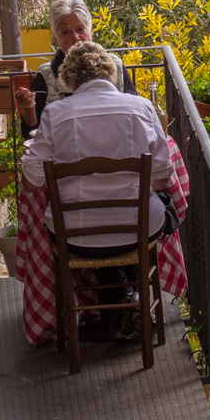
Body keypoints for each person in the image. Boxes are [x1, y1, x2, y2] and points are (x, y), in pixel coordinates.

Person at [21, 40, 174, 340]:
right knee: (164, 207)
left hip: (75, 236)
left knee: (84, 223)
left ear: (68, 78)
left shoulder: (55, 114)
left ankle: (114, 313)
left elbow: (32, 180)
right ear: (110, 72)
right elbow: (163, 171)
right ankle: (129, 303)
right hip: (138, 229)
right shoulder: (141, 106)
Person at [16, 0, 137, 139]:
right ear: (56, 39)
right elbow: (32, 134)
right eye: (65, 33)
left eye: (80, 29)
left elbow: (134, 115)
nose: (75, 37)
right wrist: (29, 108)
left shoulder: (115, 65)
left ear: (91, 31)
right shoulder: (46, 74)